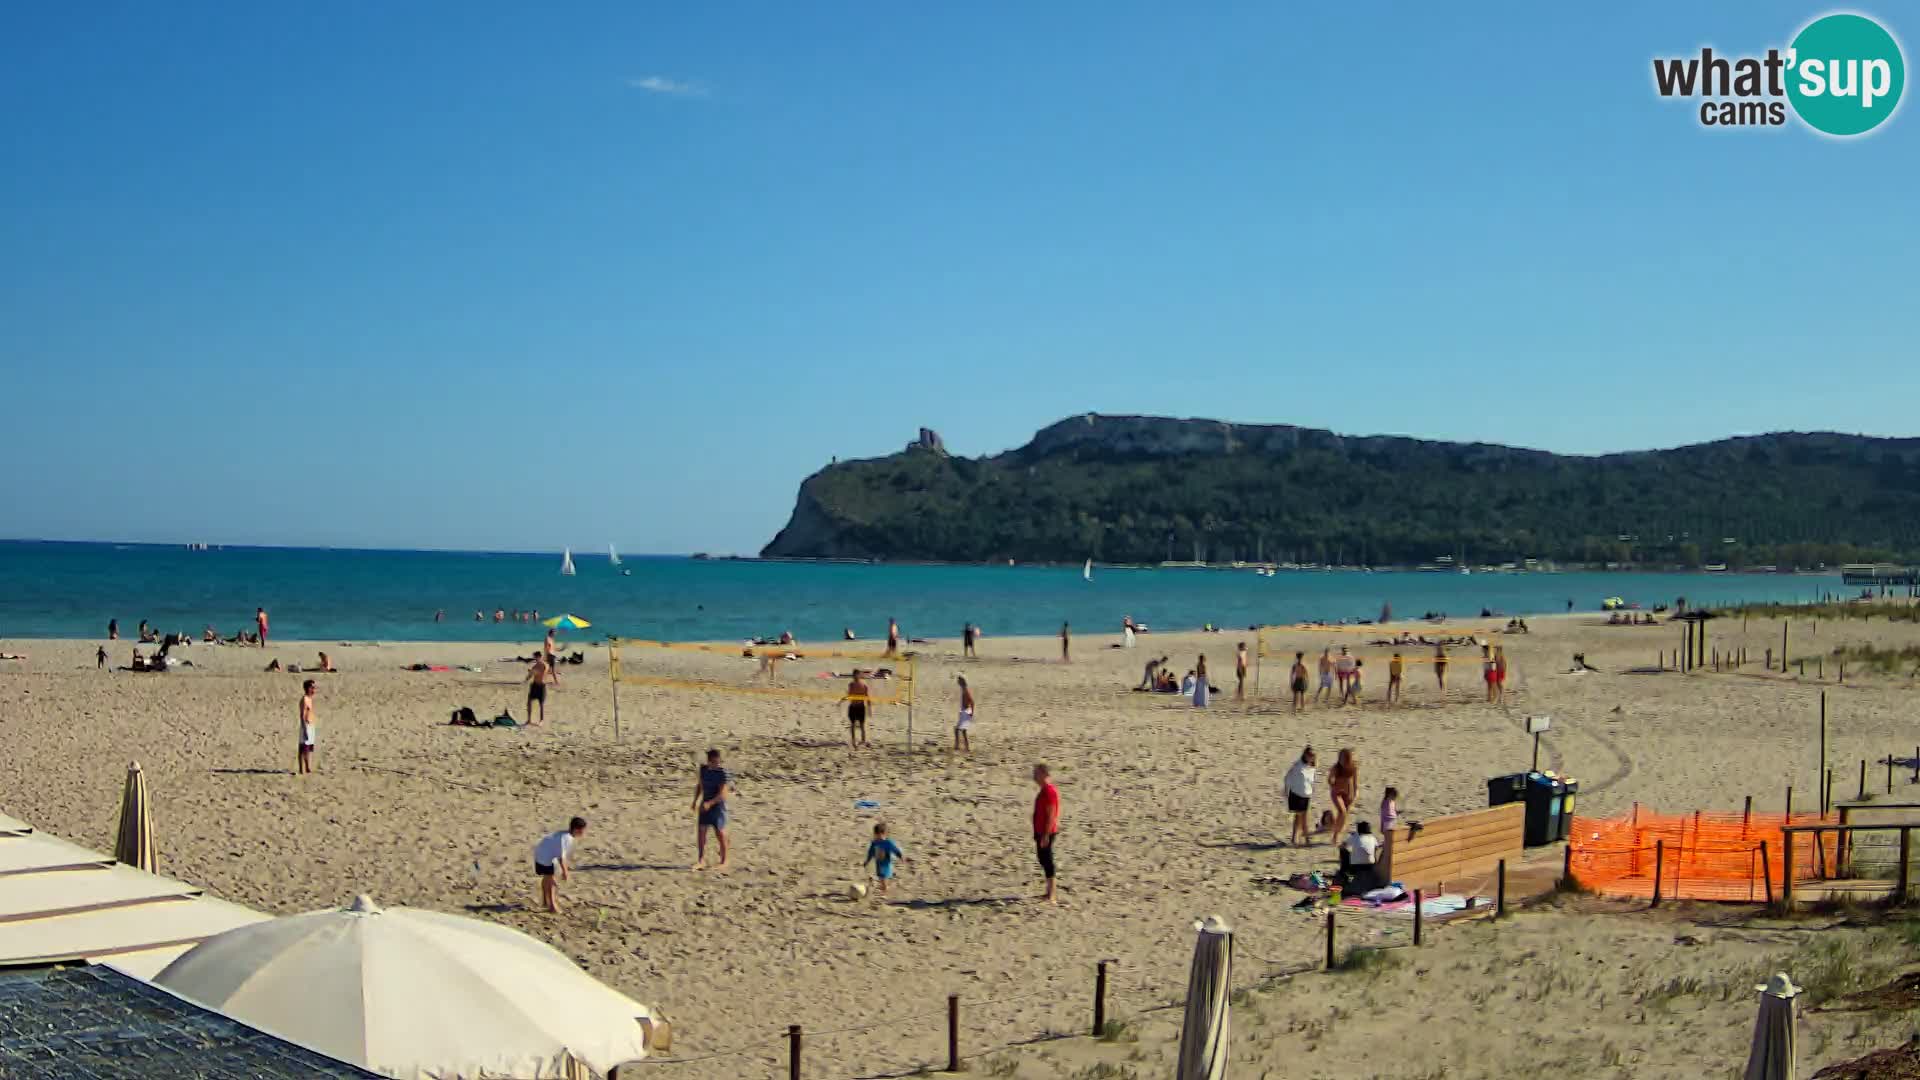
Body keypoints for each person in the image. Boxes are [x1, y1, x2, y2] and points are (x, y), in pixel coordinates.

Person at [533, 817, 586, 913]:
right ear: (577, 829)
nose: (583, 832)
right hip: (545, 858)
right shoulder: (566, 838)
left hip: (539, 854)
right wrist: (565, 872)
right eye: (582, 830)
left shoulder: (563, 834)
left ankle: (545, 901)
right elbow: (561, 858)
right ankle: (552, 906)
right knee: (552, 883)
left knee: (547, 878)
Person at [693, 749, 731, 869]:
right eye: (714, 762)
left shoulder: (722, 773)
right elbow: (700, 786)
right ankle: (701, 859)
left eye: (718, 762)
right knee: (701, 831)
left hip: (718, 806)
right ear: (709, 761)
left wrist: (710, 803)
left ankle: (724, 860)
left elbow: (723, 794)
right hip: (705, 803)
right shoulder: (703, 770)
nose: (717, 764)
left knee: (720, 833)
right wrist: (695, 801)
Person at [1032, 764, 1060, 904]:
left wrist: (1046, 835)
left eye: (1036, 773)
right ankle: (1048, 891)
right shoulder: (1044, 791)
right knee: (1042, 858)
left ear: (1044, 774)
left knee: (1047, 860)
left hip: (1046, 831)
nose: (1034, 776)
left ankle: (1052, 894)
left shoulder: (1049, 791)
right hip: (1040, 830)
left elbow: (1051, 814)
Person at [1285, 747, 1317, 846]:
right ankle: (1298, 838)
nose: (1310, 757)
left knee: (1303, 817)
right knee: (1300, 816)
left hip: (1306, 794)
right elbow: (1288, 777)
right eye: (1309, 754)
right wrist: (1287, 790)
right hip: (1296, 793)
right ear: (1305, 755)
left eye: (1312, 755)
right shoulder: (1298, 765)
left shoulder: (1312, 766)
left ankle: (1303, 838)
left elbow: (1310, 780)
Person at [863, 823, 905, 897]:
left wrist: (900, 856)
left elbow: (895, 849)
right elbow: (871, 852)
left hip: (886, 863)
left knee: (883, 877)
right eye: (875, 834)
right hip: (878, 863)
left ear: (883, 834)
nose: (877, 836)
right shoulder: (874, 843)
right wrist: (867, 861)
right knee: (880, 876)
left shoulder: (888, 843)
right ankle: (885, 886)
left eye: (878, 834)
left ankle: (884, 892)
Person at [1340, 822, 1383, 893]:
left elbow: (1343, 846)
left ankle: (1344, 872)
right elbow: (1376, 849)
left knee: (1343, 851)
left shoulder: (1354, 837)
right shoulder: (1373, 838)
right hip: (1370, 866)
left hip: (1356, 867)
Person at [1328, 749, 1358, 841]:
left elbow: (1355, 782)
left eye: (1344, 759)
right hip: (1337, 793)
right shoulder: (1336, 768)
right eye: (1340, 758)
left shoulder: (1353, 768)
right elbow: (1329, 779)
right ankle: (1335, 836)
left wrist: (1354, 794)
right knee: (1342, 812)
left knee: (1343, 815)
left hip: (1348, 792)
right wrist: (1333, 783)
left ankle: (1336, 833)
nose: (1341, 761)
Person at [525, 650, 557, 726]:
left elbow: (544, 672)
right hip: (534, 685)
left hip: (541, 686)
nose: (535, 659)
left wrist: (534, 672)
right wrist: (529, 675)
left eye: (536, 657)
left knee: (541, 704)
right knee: (529, 702)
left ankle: (541, 720)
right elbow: (529, 676)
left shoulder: (545, 665)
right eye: (534, 658)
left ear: (539, 657)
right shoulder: (535, 666)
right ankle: (529, 720)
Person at [845, 671, 872, 749]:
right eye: (854, 675)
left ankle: (863, 740)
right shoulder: (851, 685)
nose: (855, 677)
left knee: (861, 725)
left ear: (859, 676)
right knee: (853, 725)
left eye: (856, 675)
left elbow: (867, 697)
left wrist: (869, 708)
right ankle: (854, 741)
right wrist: (842, 700)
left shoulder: (863, 685)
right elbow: (849, 695)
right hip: (854, 706)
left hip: (860, 707)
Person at [297, 679, 317, 775]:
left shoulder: (310, 699)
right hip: (306, 725)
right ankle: (301, 769)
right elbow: (302, 715)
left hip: (311, 725)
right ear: (308, 688)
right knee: (303, 748)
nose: (314, 690)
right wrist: (304, 729)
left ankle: (307, 766)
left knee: (308, 748)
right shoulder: (304, 699)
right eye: (312, 688)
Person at [955, 675, 974, 753]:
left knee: (961, 730)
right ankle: (960, 746)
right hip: (964, 711)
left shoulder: (965, 691)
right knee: (959, 730)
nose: (957, 682)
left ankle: (962, 747)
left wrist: (971, 712)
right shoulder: (963, 689)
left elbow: (972, 702)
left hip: (966, 711)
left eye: (959, 681)